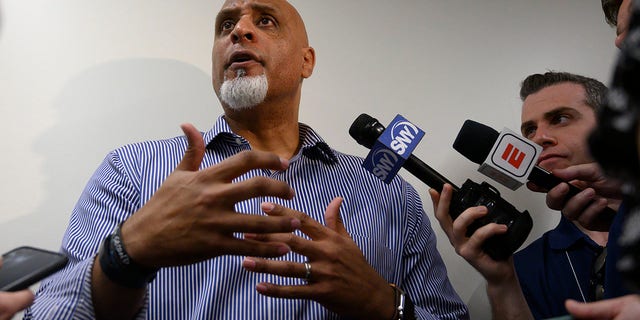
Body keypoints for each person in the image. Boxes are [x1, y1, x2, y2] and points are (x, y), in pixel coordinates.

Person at [25, 0, 468, 319]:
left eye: (266, 20)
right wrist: (128, 251)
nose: (239, 31)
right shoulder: (133, 172)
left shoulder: (389, 193)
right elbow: (48, 313)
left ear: (306, 61)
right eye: (225, 26)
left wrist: (383, 305)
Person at [429, 71, 620, 320]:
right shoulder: (524, 270)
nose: (539, 138)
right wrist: (502, 283)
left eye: (560, 118)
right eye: (529, 130)